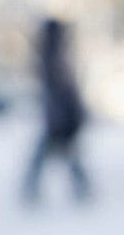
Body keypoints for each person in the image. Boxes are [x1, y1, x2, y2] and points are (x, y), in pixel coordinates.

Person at [22, 17, 92, 205]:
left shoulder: (53, 56)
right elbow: (61, 92)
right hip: (59, 119)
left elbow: (62, 93)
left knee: (60, 157)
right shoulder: (55, 56)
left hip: (59, 119)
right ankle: (82, 190)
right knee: (64, 157)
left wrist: (66, 118)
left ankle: (31, 191)